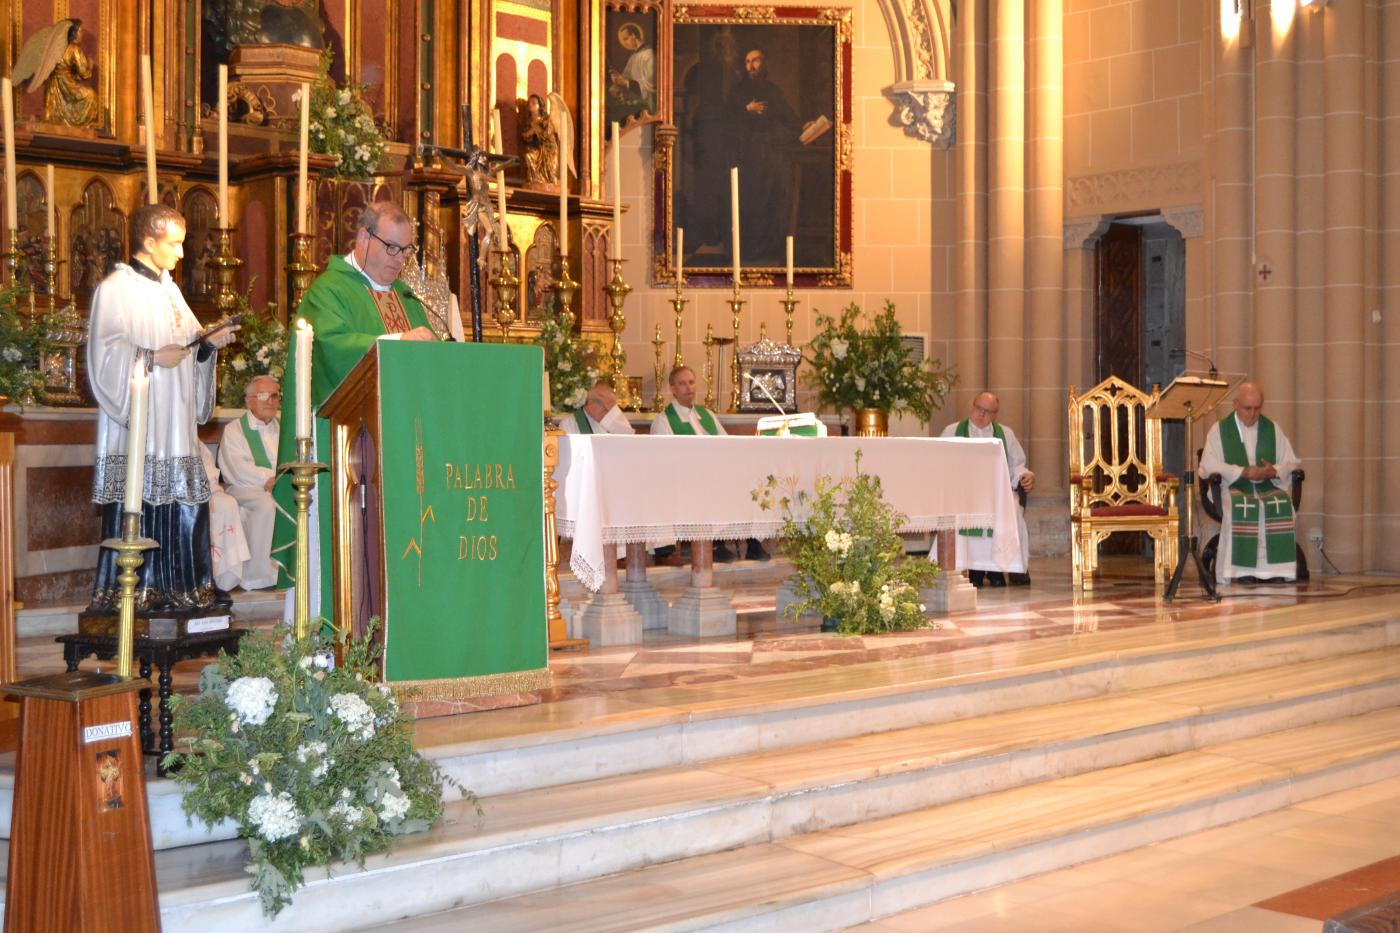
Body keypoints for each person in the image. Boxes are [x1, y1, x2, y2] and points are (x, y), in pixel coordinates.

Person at [270, 201, 435, 613]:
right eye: (392, 248)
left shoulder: (408, 298)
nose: (399, 262)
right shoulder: (329, 291)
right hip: (342, 452)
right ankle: (327, 640)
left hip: (399, 452)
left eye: (407, 251)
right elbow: (329, 348)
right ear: (364, 238)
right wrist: (398, 343)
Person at [86, 204, 239, 612]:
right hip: (143, 430)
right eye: (174, 244)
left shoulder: (170, 291)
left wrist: (208, 344)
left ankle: (183, 591)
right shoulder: (115, 290)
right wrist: (151, 358)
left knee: (186, 508)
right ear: (149, 242)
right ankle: (140, 594)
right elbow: (104, 354)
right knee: (143, 502)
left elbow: (189, 345)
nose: (182, 254)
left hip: (174, 430)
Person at [651, 366, 768, 562]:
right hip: (686, 479)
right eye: (682, 384)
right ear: (672, 388)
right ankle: (715, 544)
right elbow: (663, 461)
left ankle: (754, 543)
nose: (688, 388)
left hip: (715, 472)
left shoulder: (707, 415)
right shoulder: (664, 421)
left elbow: (727, 444)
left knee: (748, 481)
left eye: (691, 382)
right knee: (710, 485)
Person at [1199, 382, 1303, 583]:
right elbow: (1208, 465)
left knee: (1280, 505)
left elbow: (1290, 461)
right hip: (1234, 488)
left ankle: (1275, 572)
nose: (1253, 414)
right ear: (1235, 404)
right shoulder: (1219, 431)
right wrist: (1243, 471)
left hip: (1267, 487)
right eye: (1248, 408)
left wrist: (1273, 471)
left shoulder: (1272, 429)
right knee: (1242, 507)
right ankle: (1243, 572)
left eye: (1257, 408)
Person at [940, 392, 1034, 587]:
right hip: (965, 494)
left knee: (1012, 511)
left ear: (995, 415)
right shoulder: (952, 431)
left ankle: (997, 569)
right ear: (972, 407)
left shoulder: (1005, 434)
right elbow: (940, 463)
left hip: (998, 494)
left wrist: (1024, 476)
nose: (981, 415)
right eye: (978, 409)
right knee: (963, 512)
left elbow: (1016, 465)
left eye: (988, 412)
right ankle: (974, 569)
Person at [727, 48, 799, 260]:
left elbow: (788, 116)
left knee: (772, 199)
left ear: (764, 62)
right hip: (747, 156)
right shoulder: (737, 92)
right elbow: (726, 120)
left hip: (771, 155)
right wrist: (745, 109)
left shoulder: (773, 90)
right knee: (751, 201)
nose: (751, 65)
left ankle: (770, 248)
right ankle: (749, 250)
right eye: (747, 61)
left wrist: (804, 125)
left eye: (756, 60)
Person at [218, 374, 283, 590]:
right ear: (248, 400)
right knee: (267, 504)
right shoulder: (235, 430)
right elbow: (238, 468)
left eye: (275, 395)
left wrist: (280, 480)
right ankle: (259, 576)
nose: (271, 401)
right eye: (264, 395)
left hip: (278, 485)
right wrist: (269, 479)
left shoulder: (284, 427)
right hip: (244, 489)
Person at [200, 442, 250, 592]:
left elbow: (207, 466)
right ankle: (200, 579)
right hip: (177, 496)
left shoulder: (192, 438)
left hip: (204, 491)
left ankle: (220, 578)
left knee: (227, 503)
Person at [608, 23, 656, 121]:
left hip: (648, 107)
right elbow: (626, 76)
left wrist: (626, 83)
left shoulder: (649, 55)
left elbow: (652, 84)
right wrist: (618, 79)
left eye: (626, 39)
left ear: (633, 36)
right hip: (633, 106)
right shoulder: (633, 57)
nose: (625, 43)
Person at [559, 381, 635, 435]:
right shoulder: (569, 423)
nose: (608, 409)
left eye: (611, 404)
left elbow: (629, 441)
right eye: (602, 403)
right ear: (589, 403)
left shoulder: (612, 418)